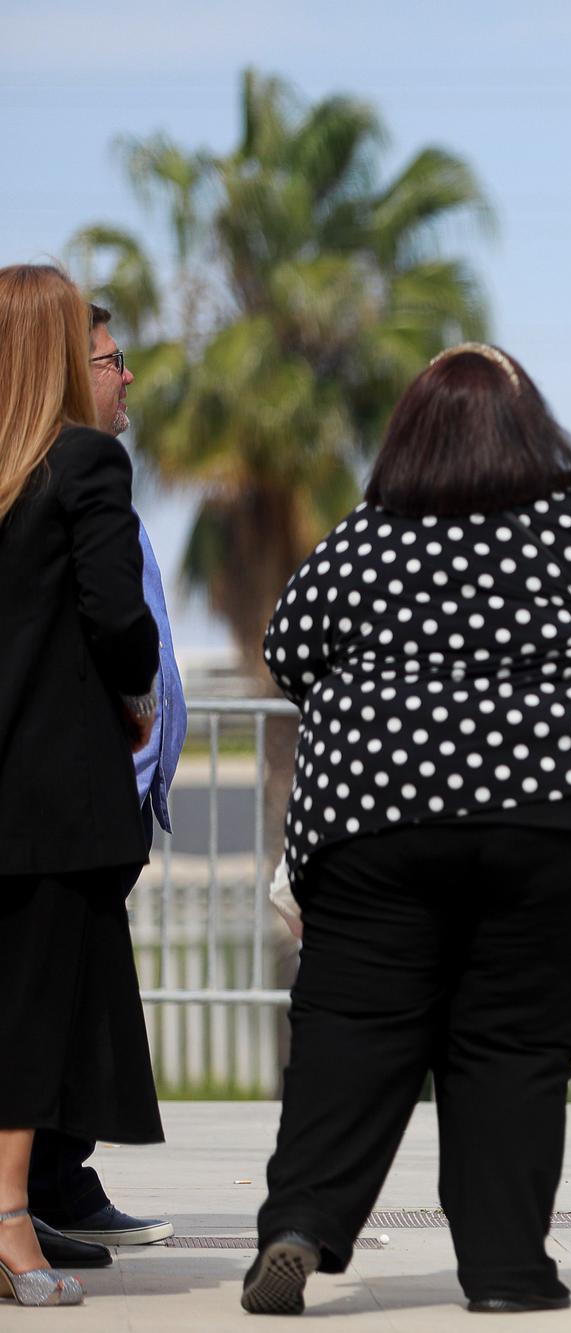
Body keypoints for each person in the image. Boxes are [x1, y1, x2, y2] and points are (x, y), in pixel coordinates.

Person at [242, 309, 571, 1316]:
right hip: (558, 812)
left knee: (351, 1028)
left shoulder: (365, 539)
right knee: (512, 1044)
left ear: (411, 435)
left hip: (381, 814)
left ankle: (300, 1224)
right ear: (527, 427)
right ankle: (506, 1271)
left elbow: (288, 648)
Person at [0, 264, 164, 1308]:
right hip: (46, 799)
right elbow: (118, 616)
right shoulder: (82, 463)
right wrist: (138, 691)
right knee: (24, 1018)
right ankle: (12, 1222)